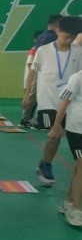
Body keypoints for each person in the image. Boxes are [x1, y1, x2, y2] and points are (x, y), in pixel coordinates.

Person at [26, 16, 82, 185]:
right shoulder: (43, 51)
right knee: (54, 133)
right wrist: (27, 95)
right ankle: (46, 165)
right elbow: (32, 73)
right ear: (58, 31)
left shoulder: (78, 52)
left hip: (69, 102)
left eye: (73, 37)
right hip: (48, 100)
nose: (69, 40)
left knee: (60, 133)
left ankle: (45, 163)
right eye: (66, 36)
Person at [49, 69, 82, 226]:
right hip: (76, 130)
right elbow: (64, 103)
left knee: (78, 168)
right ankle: (75, 210)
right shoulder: (78, 78)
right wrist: (56, 126)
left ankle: (68, 203)